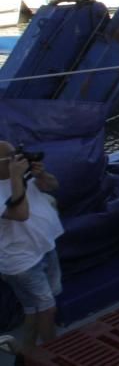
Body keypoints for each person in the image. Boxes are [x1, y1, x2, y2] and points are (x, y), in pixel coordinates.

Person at [0, 141, 62, 356]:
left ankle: (27, 350)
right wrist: (17, 177)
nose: (18, 159)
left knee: (33, 308)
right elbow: (20, 214)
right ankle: (52, 356)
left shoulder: (22, 176)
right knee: (47, 308)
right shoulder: (11, 181)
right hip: (22, 262)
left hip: (44, 248)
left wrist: (41, 175)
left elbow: (53, 186)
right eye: (11, 157)